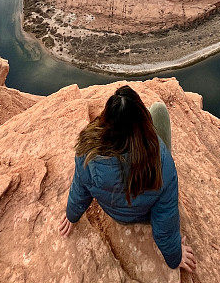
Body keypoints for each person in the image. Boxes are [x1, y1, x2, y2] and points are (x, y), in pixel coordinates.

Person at [59, 85, 196, 274]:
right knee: (158, 111)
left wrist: (71, 215)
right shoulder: (161, 162)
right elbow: (165, 220)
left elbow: (80, 188)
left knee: (152, 112)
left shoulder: (87, 153)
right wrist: (175, 256)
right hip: (143, 215)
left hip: (116, 214)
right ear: (142, 125)